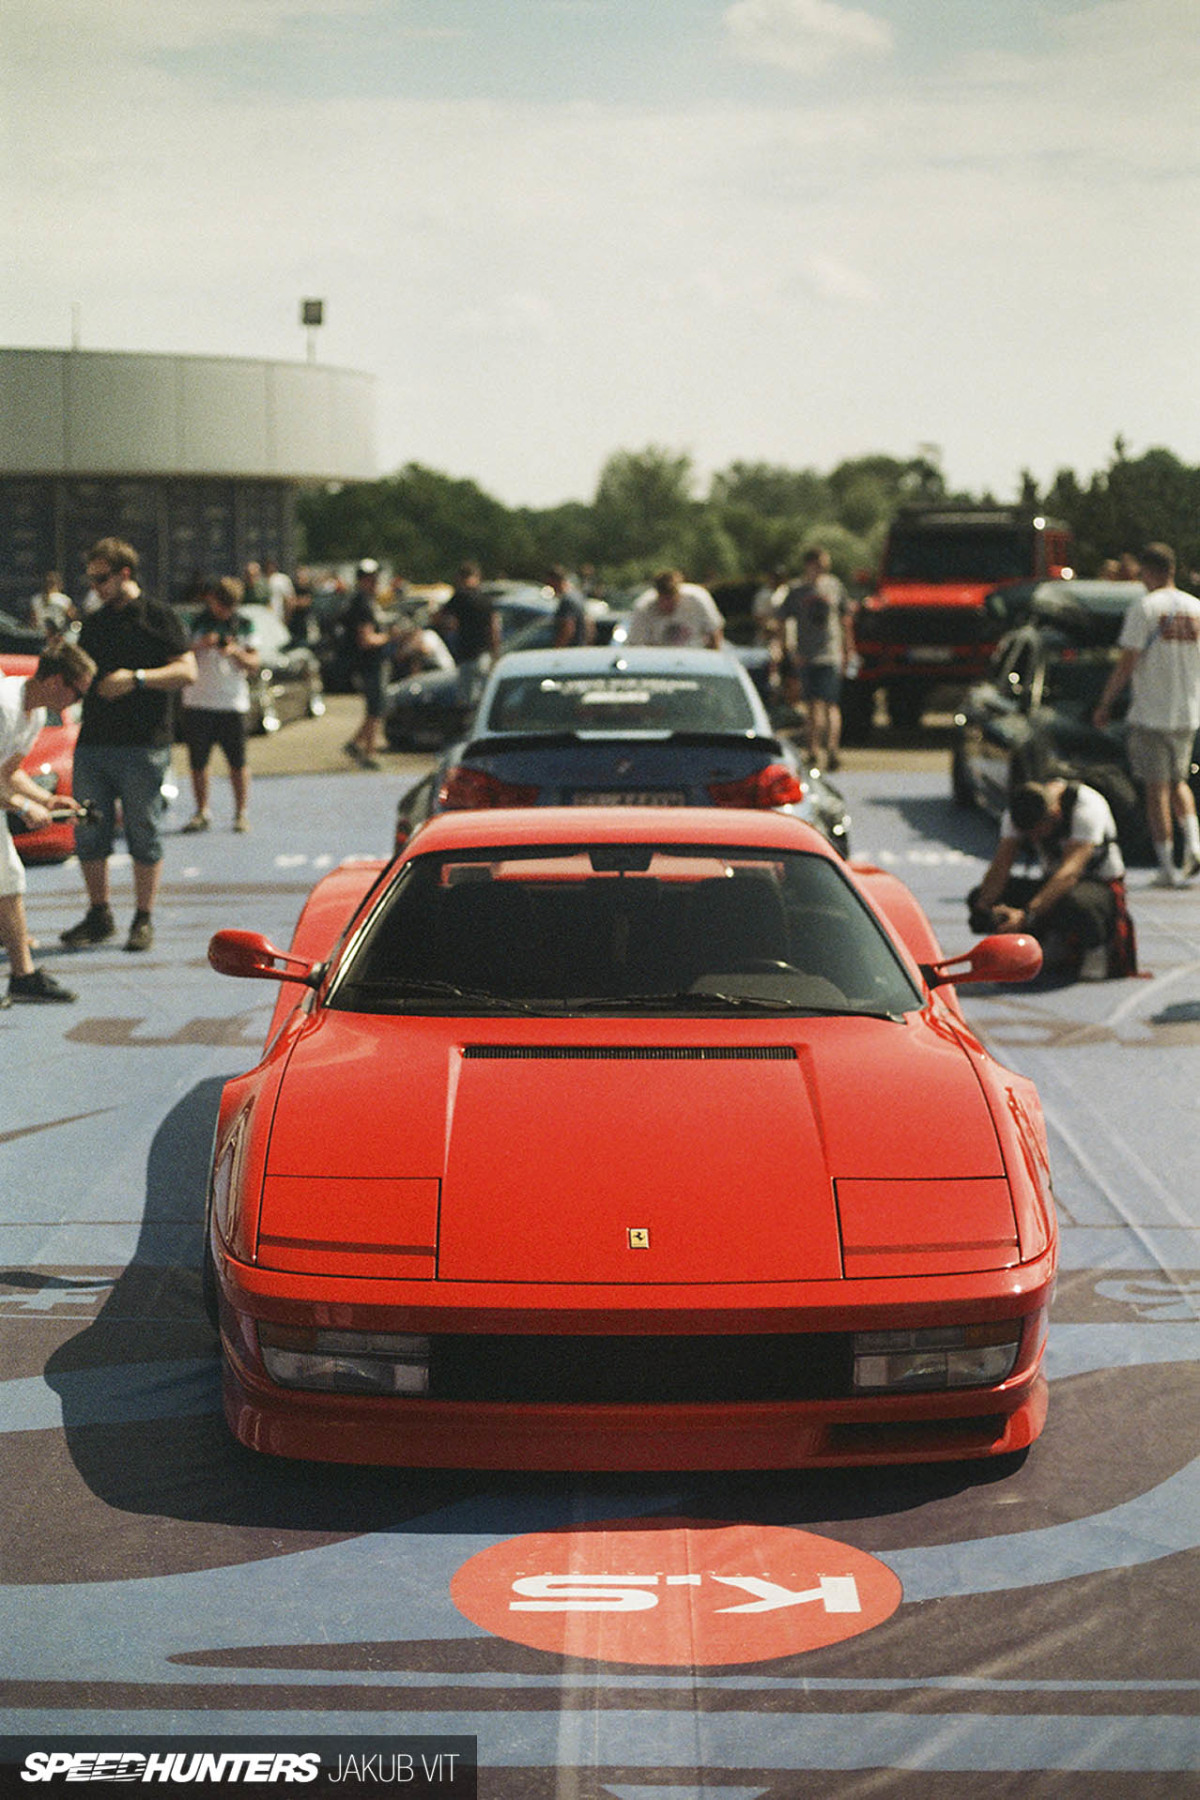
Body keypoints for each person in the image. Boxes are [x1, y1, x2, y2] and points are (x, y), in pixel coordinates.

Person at [61, 537, 197, 955]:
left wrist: (136, 677)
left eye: (102, 578)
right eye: (92, 579)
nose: (96, 586)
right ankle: (99, 912)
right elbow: (80, 674)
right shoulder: (96, 621)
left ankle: (143, 917)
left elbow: (187, 670)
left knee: (143, 830)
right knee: (89, 831)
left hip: (143, 743)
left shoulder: (158, 616)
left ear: (125, 574)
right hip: (95, 742)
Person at [1093, 542, 1200, 887]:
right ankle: (1195, 845)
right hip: (1187, 711)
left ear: (1149, 571)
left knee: (1156, 791)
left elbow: (1127, 663)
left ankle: (1168, 865)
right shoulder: (1195, 608)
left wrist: (1106, 703)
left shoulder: (1145, 608)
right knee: (1179, 782)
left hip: (1152, 712)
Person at [1, 641, 95, 1003]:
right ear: (56, 680)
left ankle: (23, 975)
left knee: (8, 881)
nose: (77, 700)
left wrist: (45, 799)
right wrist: (23, 806)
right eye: (76, 691)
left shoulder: (34, 712)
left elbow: (8, 771)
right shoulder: (4, 706)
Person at [968, 778, 1136, 981]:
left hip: (1098, 885)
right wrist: (985, 907)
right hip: (1052, 881)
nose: (1033, 839)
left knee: (1073, 900)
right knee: (979, 895)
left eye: (1036, 832)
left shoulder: (1087, 807)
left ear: (1054, 814)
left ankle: (1096, 948)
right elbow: (1001, 866)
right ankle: (1044, 942)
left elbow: (1069, 873)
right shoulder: (1016, 815)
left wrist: (1026, 915)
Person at [179, 576, 260, 833]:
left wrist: (235, 651)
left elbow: (254, 662)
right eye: (220, 604)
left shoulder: (243, 624)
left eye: (229, 606)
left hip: (231, 702)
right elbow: (179, 651)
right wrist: (202, 644)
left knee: (237, 762)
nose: (223, 611)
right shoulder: (197, 622)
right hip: (198, 701)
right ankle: (202, 810)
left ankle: (241, 812)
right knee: (198, 762)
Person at [773, 547, 856, 771]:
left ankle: (832, 750)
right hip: (806, 655)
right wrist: (786, 649)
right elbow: (781, 619)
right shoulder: (797, 591)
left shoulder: (834, 586)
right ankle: (812, 750)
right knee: (811, 706)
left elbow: (845, 619)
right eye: (818, 564)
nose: (821, 569)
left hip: (830, 654)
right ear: (808, 564)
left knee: (830, 704)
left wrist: (849, 650)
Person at [342, 558, 396, 769]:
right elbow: (366, 640)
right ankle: (369, 752)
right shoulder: (363, 604)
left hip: (373, 662)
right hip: (370, 662)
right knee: (375, 708)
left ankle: (356, 743)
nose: (375, 582)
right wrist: (389, 637)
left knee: (377, 708)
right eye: (370, 579)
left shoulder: (367, 601)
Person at [438, 562, 501, 705]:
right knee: (483, 698)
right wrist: (495, 653)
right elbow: (494, 628)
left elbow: (443, 620)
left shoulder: (459, 597)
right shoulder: (486, 599)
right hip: (484, 655)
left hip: (467, 655)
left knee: (467, 699)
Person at [623, 569, 724, 649]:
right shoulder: (644, 606)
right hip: (658, 662)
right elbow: (635, 644)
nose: (667, 605)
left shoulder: (698, 599)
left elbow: (714, 632)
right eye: (663, 600)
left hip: (694, 657)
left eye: (671, 599)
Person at [548, 566, 590, 647]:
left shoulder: (566, 601)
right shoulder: (578, 596)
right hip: (579, 647)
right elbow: (589, 624)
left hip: (568, 649)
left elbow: (568, 628)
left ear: (554, 581)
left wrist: (557, 648)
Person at [26, 571, 76, 638]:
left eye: (51, 583)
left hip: (59, 636)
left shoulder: (65, 600)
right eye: (48, 582)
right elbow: (33, 621)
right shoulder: (36, 599)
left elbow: (74, 620)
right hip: (41, 635)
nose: (49, 585)